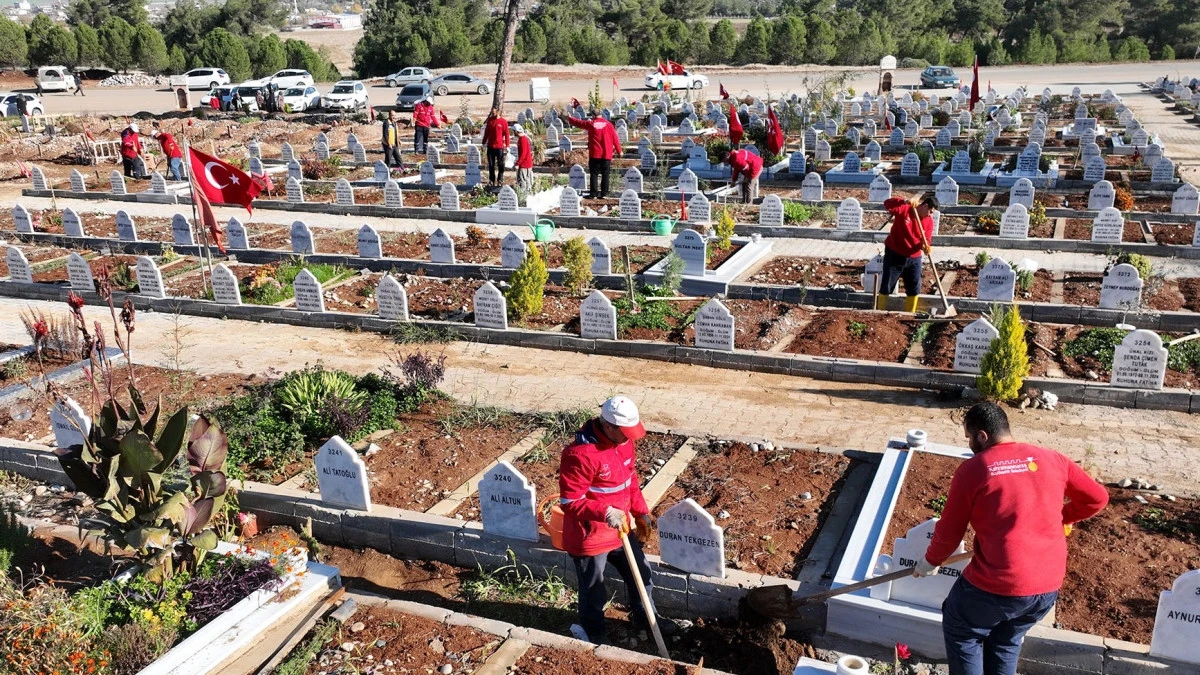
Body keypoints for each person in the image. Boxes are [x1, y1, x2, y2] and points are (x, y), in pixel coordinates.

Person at [915, 402, 1108, 675]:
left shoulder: (974, 470)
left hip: (997, 585)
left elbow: (949, 532)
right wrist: (1062, 516)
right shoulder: (1053, 458)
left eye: (969, 437)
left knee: (963, 630)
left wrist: (930, 561)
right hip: (1046, 588)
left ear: (982, 436)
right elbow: (1098, 498)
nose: (970, 444)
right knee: (1005, 642)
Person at [559, 396, 672, 646]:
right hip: (590, 535)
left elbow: (629, 480)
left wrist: (641, 512)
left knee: (641, 574)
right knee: (593, 590)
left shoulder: (624, 444)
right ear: (608, 426)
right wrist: (606, 512)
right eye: (624, 432)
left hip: (620, 529)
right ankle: (595, 634)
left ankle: (647, 618)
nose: (629, 438)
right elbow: (570, 502)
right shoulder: (580, 455)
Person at [877, 194, 939, 313]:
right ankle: (879, 312)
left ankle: (909, 314)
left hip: (914, 258)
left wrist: (926, 246)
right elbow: (887, 203)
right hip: (895, 254)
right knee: (887, 286)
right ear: (925, 206)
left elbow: (926, 238)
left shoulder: (928, 222)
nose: (930, 215)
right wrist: (905, 201)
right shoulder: (905, 209)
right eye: (930, 212)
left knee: (914, 287)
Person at [566, 109, 622, 200]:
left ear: (593, 115)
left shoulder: (591, 124)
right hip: (606, 153)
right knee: (605, 174)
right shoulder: (609, 124)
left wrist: (570, 118)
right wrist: (620, 151)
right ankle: (604, 193)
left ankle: (593, 194)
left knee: (594, 174)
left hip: (595, 153)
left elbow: (579, 123)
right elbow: (615, 138)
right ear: (601, 114)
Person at [481, 107, 510, 188]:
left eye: (494, 113)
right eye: (492, 113)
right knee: (491, 164)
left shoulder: (503, 122)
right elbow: (486, 132)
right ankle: (492, 180)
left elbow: (506, 134)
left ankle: (500, 179)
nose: (492, 114)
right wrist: (483, 143)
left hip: (499, 147)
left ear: (498, 112)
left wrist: (507, 145)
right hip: (490, 146)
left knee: (500, 164)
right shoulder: (490, 120)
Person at [514, 123, 534, 192]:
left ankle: (523, 197)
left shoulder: (523, 140)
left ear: (516, 131)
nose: (513, 132)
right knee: (527, 181)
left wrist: (518, 163)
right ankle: (529, 195)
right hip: (527, 163)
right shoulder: (522, 139)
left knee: (522, 182)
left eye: (514, 131)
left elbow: (523, 154)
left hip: (524, 165)